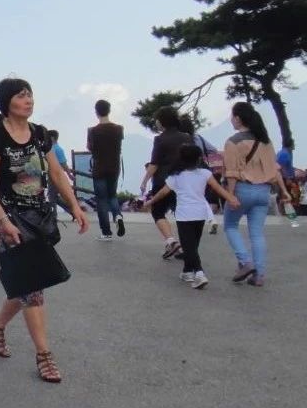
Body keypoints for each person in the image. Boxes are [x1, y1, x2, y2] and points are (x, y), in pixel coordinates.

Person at [0, 78, 89, 387]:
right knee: (33, 289)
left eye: (30, 95)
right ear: (6, 102)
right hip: (10, 221)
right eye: (21, 96)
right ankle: (44, 355)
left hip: (38, 219)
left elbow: (57, 173)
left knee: (28, 283)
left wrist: (75, 206)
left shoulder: (40, 134)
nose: (28, 100)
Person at [142, 144, 240, 290]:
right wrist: (231, 198)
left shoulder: (176, 176)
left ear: (181, 159)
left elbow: (163, 193)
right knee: (192, 246)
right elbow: (218, 188)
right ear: (199, 159)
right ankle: (187, 271)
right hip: (200, 214)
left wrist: (150, 201)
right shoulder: (205, 173)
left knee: (189, 247)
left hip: (184, 215)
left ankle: (199, 273)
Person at [221, 102, 290, 288]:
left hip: (243, 188)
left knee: (230, 226)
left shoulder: (233, 142)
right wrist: (284, 191)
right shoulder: (266, 141)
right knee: (257, 234)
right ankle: (259, 275)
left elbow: (232, 173)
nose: (231, 120)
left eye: (232, 116)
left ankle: (245, 262)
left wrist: (230, 195)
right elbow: (274, 170)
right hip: (263, 192)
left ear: (238, 118)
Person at [138, 107, 192, 261]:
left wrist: (144, 181)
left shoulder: (160, 139)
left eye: (157, 119)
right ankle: (184, 246)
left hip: (163, 181)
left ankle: (171, 241)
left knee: (158, 212)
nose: (156, 122)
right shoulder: (187, 137)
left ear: (162, 121)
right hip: (183, 181)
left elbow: (154, 164)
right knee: (181, 214)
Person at [86, 100, 125, 240]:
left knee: (101, 200)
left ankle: (106, 232)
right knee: (112, 195)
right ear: (109, 110)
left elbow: (90, 147)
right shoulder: (119, 129)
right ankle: (118, 216)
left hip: (99, 168)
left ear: (96, 112)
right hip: (114, 167)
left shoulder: (92, 131)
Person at [45, 129, 75, 218]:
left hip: (56, 176)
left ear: (52, 138)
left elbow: (63, 164)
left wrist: (69, 175)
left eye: (48, 137)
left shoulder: (57, 149)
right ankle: (73, 211)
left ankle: (53, 217)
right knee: (54, 197)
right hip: (51, 175)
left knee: (52, 197)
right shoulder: (52, 149)